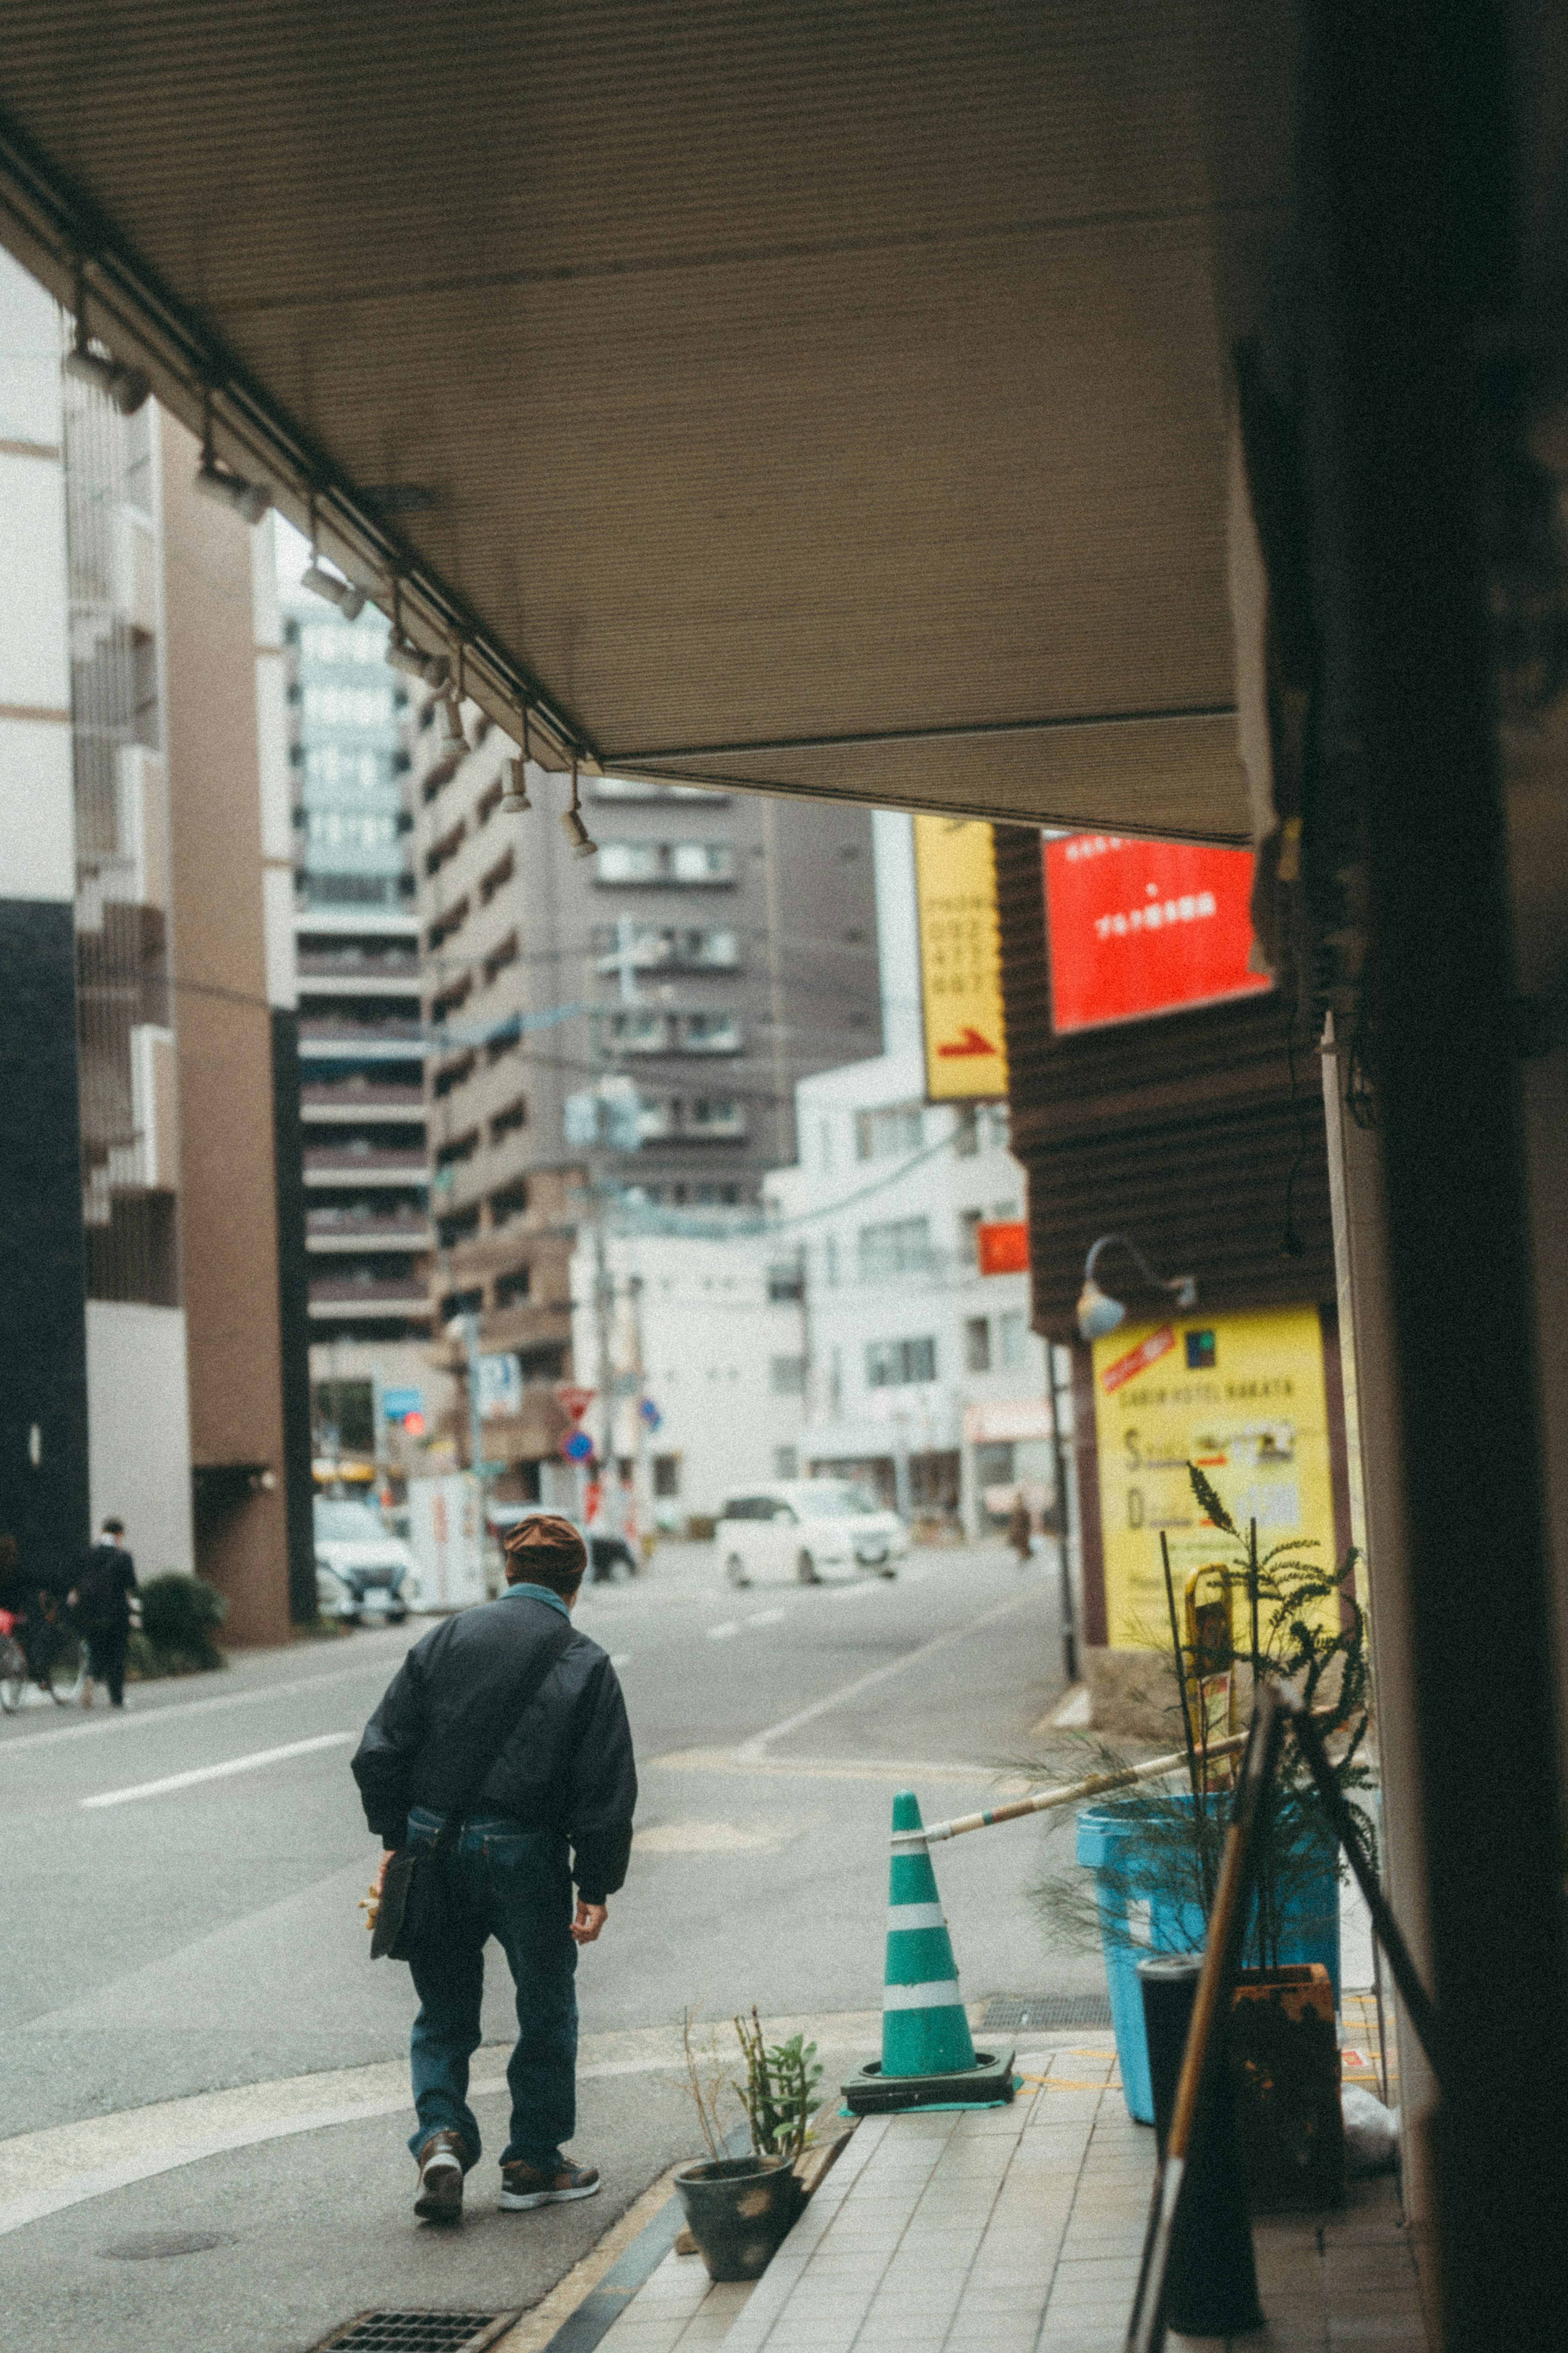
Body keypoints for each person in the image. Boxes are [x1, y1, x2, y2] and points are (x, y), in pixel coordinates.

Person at [352, 1512, 637, 2225]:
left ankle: (443, 2135)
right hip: (527, 1852)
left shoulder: (444, 1638)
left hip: (434, 1845)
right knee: (545, 2004)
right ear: (576, 1583)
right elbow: (604, 1788)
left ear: (508, 1572)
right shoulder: (584, 1660)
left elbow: (380, 1750)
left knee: (443, 2012)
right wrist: (596, 1884)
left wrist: (395, 1838)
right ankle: (532, 2162)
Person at [69, 1518, 139, 1708]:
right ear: (119, 1534)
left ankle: (91, 1678)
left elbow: (76, 1579)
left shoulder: (88, 1554)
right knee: (117, 1654)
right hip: (117, 1613)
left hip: (91, 1613)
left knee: (97, 1652)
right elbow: (131, 1584)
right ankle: (116, 1699)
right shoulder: (123, 1556)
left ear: (102, 1532)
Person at [1007, 1491, 1034, 1566]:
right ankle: (1025, 1556)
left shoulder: (1023, 1510)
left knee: (1022, 1545)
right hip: (1018, 1531)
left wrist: (1027, 1531)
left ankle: (1026, 1556)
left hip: (1021, 1531)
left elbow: (1027, 1523)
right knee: (1020, 1545)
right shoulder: (1017, 1510)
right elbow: (1013, 1522)